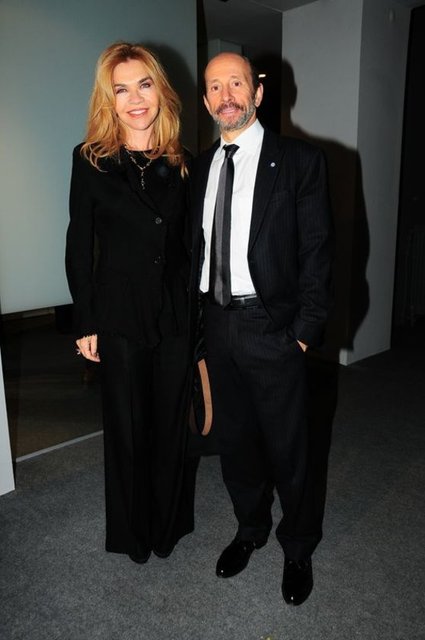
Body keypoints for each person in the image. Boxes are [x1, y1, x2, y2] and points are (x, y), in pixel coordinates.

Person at [190, 52, 333, 605]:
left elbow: (318, 251)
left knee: (290, 448)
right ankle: (250, 528)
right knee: (236, 443)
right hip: (217, 324)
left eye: (236, 83)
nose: (225, 95)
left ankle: (297, 546)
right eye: (214, 86)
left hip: (272, 327)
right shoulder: (200, 167)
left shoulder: (299, 161)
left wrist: (303, 333)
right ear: (206, 99)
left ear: (257, 93)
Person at [65, 42, 195, 563]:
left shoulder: (184, 163)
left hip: (174, 315)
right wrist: (85, 320)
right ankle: (131, 534)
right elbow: (79, 245)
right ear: (109, 100)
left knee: (169, 425)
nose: (135, 99)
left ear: (160, 91)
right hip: (119, 314)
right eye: (121, 90)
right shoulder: (90, 161)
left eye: (144, 85)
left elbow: (192, 247)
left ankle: (167, 527)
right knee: (126, 428)